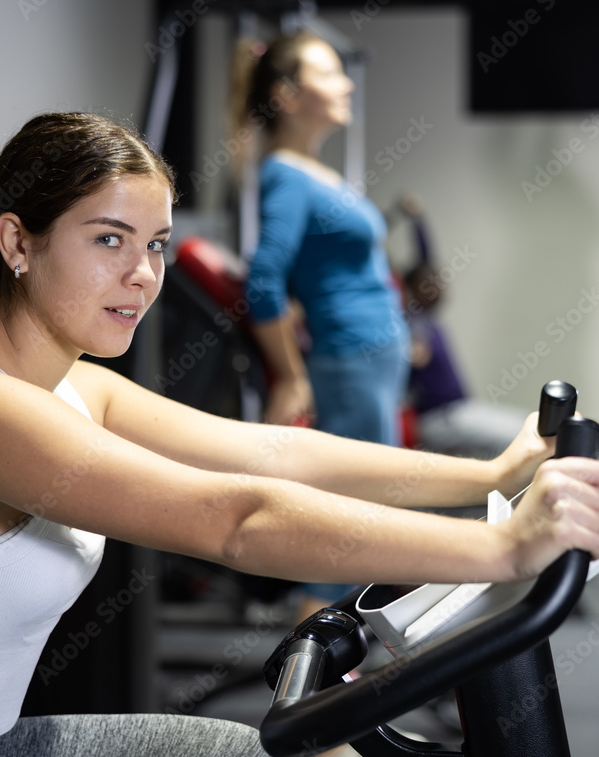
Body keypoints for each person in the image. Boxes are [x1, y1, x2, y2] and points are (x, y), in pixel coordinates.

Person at [0, 112, 599, 756]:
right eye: (108, 239)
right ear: (18, 242)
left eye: (154, 244)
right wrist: (504, 550)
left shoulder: (72, 384)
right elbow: (237, 520)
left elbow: (273, 451)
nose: (143, 275)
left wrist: (489, 473)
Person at [230, 31, 413, 619]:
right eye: (330, 73)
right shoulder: (286, 176)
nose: (347, 83)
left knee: (363, 523)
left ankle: (336, 680)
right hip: (349, 365)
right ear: (287, 95)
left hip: (373, 362)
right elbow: (263, 281)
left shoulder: (315, 173)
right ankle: (312, 689)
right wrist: (288, 374)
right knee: (349, 528)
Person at [393, 197, 527, 460]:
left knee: (528, 427)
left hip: (460, 410)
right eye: (429, 282)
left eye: (438, 278)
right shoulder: (407, 323)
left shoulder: (425, 317)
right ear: (412, 290)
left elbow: (425, 259)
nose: (440, 284)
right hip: (440, 419)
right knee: (519, 438)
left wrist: (418, 220)